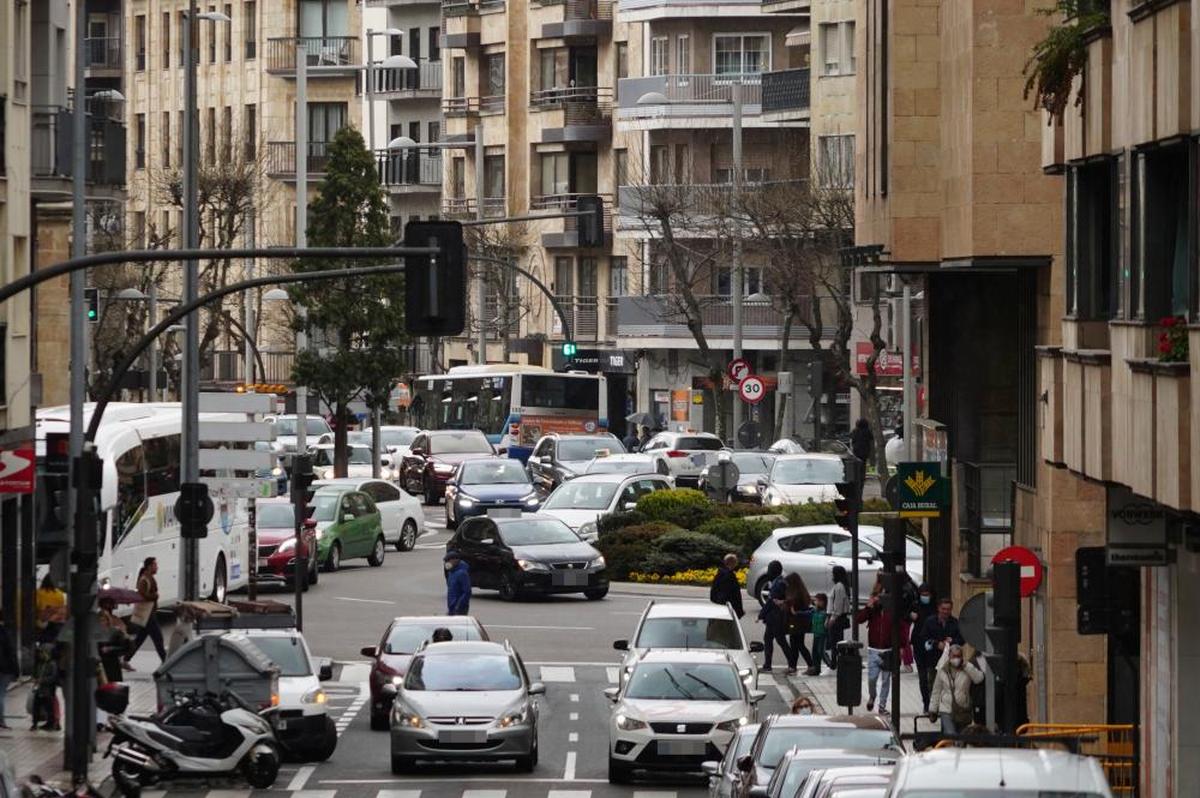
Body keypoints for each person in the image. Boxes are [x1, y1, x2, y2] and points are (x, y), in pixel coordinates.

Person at [854, 575, 895, 713]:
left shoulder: (891, 610)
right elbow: (859, 619)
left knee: (886, 680)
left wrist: (900, 647)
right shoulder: (873, 610)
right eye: (879, 596)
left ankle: (882, 706)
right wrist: (868, 606)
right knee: (872, 678)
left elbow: (899, 627)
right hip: (874, 649)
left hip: (888, 650)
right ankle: (872, 696)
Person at [928, 643, 983, 735]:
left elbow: (979, 678)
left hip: (963, 710)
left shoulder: (967, 668)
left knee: (962, 737)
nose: (956, 659)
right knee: (950, 735)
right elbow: (936, 690)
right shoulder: (943, 670)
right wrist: (933, 709)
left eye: (958, 656)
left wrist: (966, 666)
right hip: (946, 709)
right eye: (954, 656)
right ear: (949, 656)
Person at [126, 557, 167, 665]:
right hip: (148, 614)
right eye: (155, 565)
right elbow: (142, 595)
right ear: (149, 566)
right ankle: (166, 661)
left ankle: (126, 659)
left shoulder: (149, 578)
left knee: (139, 639)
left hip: (149, 613)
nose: (157, 567)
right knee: (158, 638)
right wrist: (154, 596)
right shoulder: (144, 579)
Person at [755, 561, 793, 672]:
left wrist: (761, 615)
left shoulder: (778, 584)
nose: (768, 572)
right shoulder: (779, 581)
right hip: (774, 617)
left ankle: (791, 663)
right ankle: (768, 664)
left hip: (776, 617)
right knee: (769, 639)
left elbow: (771, 602)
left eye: (770, 569)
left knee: (780, 640)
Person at [918, 598, 965, 663]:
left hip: (951, 661)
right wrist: (936, 644)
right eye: (943, 609)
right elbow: (922, 638)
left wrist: (952, 641)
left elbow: (962, 640)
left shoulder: (956, 623)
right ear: (938, 608)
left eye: (948, 609)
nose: (945, 611)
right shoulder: (929, 621)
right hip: (932, 660)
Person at [784, 573, 813, 673]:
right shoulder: (802, 593)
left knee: (797, 645)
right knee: (797, 645)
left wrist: (782, 603)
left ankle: (808, 664)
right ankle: (794, 666)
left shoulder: (794, 596)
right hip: (801, 623)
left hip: (795, 623)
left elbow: (790, 608)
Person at [97, 597, 130, 685]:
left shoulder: (115, 632)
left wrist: (111, 649)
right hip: (99, 667)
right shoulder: (94, 634)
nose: (102, 623)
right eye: (100, 621)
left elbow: (127, 646)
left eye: (104, 620)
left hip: (112, 665)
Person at [825, 565, 852, 669]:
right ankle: (836, 661)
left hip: (837, 618)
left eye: (833, 573)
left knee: (834, 640)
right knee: (836, 640)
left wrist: (832, 618)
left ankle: (835, 662)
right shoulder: (839, 586)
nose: (832, 575)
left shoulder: (839, 587)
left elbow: (838, 604)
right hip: (836, 617)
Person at [709, 553, 745, 618]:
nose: (736, 565)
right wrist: (738, 610)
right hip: (728, 608)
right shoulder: (729, 576)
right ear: (732, 563)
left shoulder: (720, 573)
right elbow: (732, 594)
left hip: (721, 605)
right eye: (735, 562)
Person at [35, 575, 67, 641]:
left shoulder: (38, 593)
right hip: (55, 625)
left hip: (41, 624)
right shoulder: (60, 594)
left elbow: (36, 608)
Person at [0, 617, 18, 730]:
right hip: (5, 669)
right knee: (0, 694)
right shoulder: (4, 632)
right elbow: (11, 651)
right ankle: (1, 721)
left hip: (4, 669)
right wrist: (16, 670)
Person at [806, 593, 829, 677]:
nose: (815, 602)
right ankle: (816, 668)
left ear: (822, 602)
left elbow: (827, 624)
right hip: (816, 633)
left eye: (817, 601)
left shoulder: (826, 612)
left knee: (820, 651)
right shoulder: (814, 610)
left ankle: (831, 665)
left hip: (822, 634)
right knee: (814, 652)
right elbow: (806, 612)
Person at [445, 551, 472, 616]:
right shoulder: (451, 573)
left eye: (448, 561)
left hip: (459, 608)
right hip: (452, 606)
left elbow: (467, 591)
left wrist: (459, 605)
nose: (447, 563)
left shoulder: (462, 573)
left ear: (455, 560)